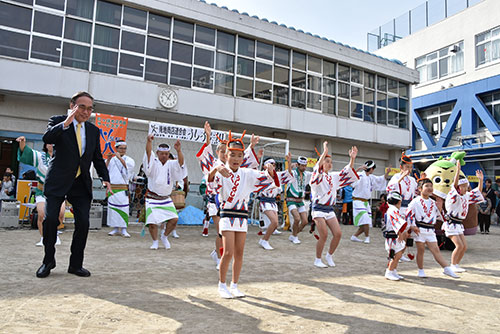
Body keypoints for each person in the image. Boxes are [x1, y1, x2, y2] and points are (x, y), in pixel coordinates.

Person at [36, 91, 111, 278]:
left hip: (80, 183)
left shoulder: (93, 130)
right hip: (58, 181)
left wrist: (105, 177)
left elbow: (97, 157)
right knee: (51, 220)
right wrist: (67, 123)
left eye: (89, 108)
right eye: (82, 107)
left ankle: (76, 265)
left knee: (84, 223)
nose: (86, 112)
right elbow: (48, 139)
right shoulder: (58, 121)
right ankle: (48, 261)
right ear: (72, 106)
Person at [208, 130, 279, 298]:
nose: (235, 159)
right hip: (226, 214)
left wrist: (270, 170)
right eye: (232, 155)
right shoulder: (221, 170)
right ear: (226, 156)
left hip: (242, 217)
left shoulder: (247, 173)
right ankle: (221, 285)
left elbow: (268, 179)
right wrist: (216, 169)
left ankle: (235, 285)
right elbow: (210, 183)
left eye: (239, 156)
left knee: (239, 253)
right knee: (228, 252)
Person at [196, 122, 259, 269]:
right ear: (219, 152)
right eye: (223, 151)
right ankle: (219, 256)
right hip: (215, 201)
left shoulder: (235, 166)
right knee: (220, 231)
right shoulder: (214, 163)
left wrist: (252, 147)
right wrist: (207, 137)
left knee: (224, 233)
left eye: (228, 151)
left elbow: (244, 158)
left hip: (232, 205)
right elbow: (205, 160)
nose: (226, 154)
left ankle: (219, 254)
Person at [309, 142, 359, 268]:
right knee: (324, 234)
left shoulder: (333, 176)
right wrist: (324, 152)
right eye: (327, 161)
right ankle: (317, 259)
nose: (329, 164)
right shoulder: (317, 175)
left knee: (338, 233)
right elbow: (317, 168)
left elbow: (347, 171)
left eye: (331, 162)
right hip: (318, 209)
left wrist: (352, 159)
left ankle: (329, 255)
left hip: (329, 209)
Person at [406, 176, 459, 278]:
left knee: (436, 250)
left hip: (430, 229)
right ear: (420, 189)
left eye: (431, 186)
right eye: (427, 186)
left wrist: (439, 208)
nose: (430, 188)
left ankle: (446, 268)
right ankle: (420, 270)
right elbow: (409, 214)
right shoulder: (415, 201)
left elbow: (440, 217)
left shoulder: (433, 202)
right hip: (419, 229)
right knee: (420, 250)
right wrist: (412, 226)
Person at [17, 136, 65, 246]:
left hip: (58, 191)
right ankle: (43, 237)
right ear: (45, 145)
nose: (51, 145)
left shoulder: (63, 158)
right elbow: (27, 153)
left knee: (60, 214)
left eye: (53, 144)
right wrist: (22, 142)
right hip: (42, 190)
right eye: (49, 143)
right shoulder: (40, 156)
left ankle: (55, 234)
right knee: (42, 214)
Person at [143, 134, 186, 250]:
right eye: (162, 153)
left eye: (166, 154)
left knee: (174, 219)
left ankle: (165, 236)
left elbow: (181, 164)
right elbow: (148, 154)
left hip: (166, 198)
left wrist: (179, 150)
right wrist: (149, 142)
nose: (164, 156)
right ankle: (155, 241)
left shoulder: (171, 163)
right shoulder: (153, 162)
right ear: (157, 153)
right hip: (152, 198)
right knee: (152, 222)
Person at [444, 161, 484, 273]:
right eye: (463, 186)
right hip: (451, 223)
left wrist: (480, 180)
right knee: (459, 245)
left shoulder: (466, 196)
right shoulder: (453, 195)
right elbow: (454, 185)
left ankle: (456, 264)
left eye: (466, 186)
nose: (465, 188)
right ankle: (452, 264)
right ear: (458, 187)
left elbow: (478, 193)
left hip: (459, 224)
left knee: (464, 246)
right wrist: (457, 170)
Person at [257, 154, 293, 250]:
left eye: (274, 164)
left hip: (272, 201)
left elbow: (289, 174)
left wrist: (289, 162)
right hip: (264, 200)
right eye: (271, 164)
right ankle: (264, 240)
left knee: (275, 223)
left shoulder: (278, 175)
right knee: (273, 221)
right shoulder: (261, 174)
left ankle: (264, 240)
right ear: (265, 166)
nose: (273, 165)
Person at [386, 153, 418, 262]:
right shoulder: (396, 177)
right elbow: (390, 189)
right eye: (406, 167)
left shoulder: (412, 180)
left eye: (410, 167)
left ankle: (401, 252)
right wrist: (402, 177)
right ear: (401, 167)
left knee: (407, 232)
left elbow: (416, 193)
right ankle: (394, 253)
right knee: (397, 232)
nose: (409, 169)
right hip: (398, 207)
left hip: (408, 207)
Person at [350, 160, 388, 244]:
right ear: (371, 169)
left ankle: (355, 236)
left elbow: (380, 179)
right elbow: (351, 179)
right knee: (366, 220)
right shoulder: (360, 175)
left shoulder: (371, 177)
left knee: (365, 222)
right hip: (358, 201)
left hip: (366, 202)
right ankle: (367, 237)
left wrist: (387, 173)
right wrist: (359, 168)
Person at [106, 141, 135, 238]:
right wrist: (108, 160)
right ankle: (115, 228)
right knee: (113, 209)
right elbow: (104, 170)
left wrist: (119, 158)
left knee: (124, 208)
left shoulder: (129, 160)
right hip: (113, 188)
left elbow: (128, 168)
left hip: (123, 188)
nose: (123, 150)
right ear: (116, 149)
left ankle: (124, 229)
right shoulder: (112, 159)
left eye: (124, 148)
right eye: (121, 148)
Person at [383, 192, 414, 281]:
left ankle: (393, 270)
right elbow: (396, 223)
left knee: (398, 254)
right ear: (399, 202)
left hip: (394, 235)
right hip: (393, 235)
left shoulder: (392, 210)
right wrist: (400, 233)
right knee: (395, 255)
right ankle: (389, 271)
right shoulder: (393, 210)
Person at [286, 156, 312, 244]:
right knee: (297, 218)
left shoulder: (306, 174)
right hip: (291, 199)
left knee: (305, 221)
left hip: (300, 200)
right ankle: (295, 236)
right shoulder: (293, 173)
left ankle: (294, 234)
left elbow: (316, 174)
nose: (304, 167)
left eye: (305, 166)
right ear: (298, 165)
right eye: (302, 165)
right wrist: (289, 162)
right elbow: (289, 172)